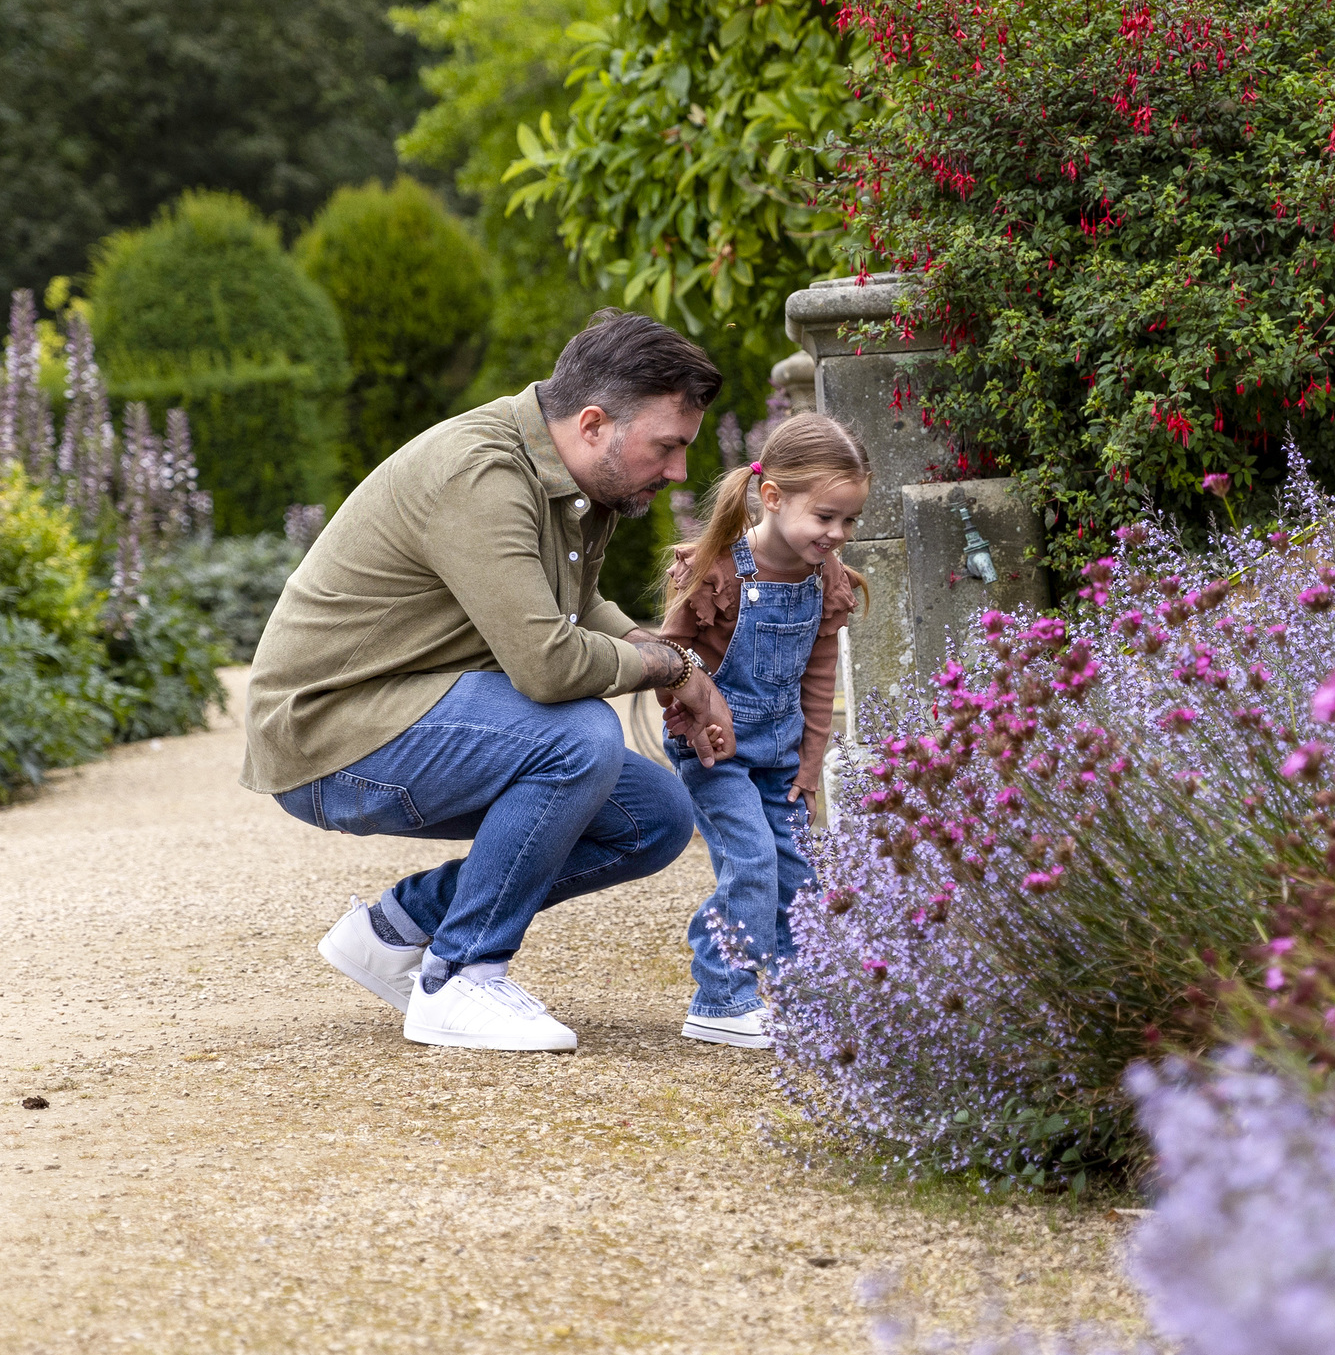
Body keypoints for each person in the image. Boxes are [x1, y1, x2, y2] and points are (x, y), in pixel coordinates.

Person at [242, 309, 740, 1053]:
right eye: (667, 447)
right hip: (330, 735)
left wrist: (661, 651)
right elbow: (548, 666)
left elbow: (579, 606)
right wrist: (670, 668)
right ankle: (459, 977)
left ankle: (397, 930)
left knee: (655, 816)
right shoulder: (481, 474)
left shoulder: (578, 481)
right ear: (595, 423)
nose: (677, 472)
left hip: (411, 710)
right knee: (577, 736)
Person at [650, 411, 870, 1051]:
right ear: (772, 497)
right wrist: (689, 716)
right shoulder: (717, 572)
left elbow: (820, 678)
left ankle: (803, 997)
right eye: (825, 517)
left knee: (797, 871)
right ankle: (721, 998)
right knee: (750, 859)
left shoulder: (825, 581)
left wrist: (810, 765)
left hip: (781, 751)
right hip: (713, 751)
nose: (837, 533)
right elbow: (668, 657)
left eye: (849, 520)